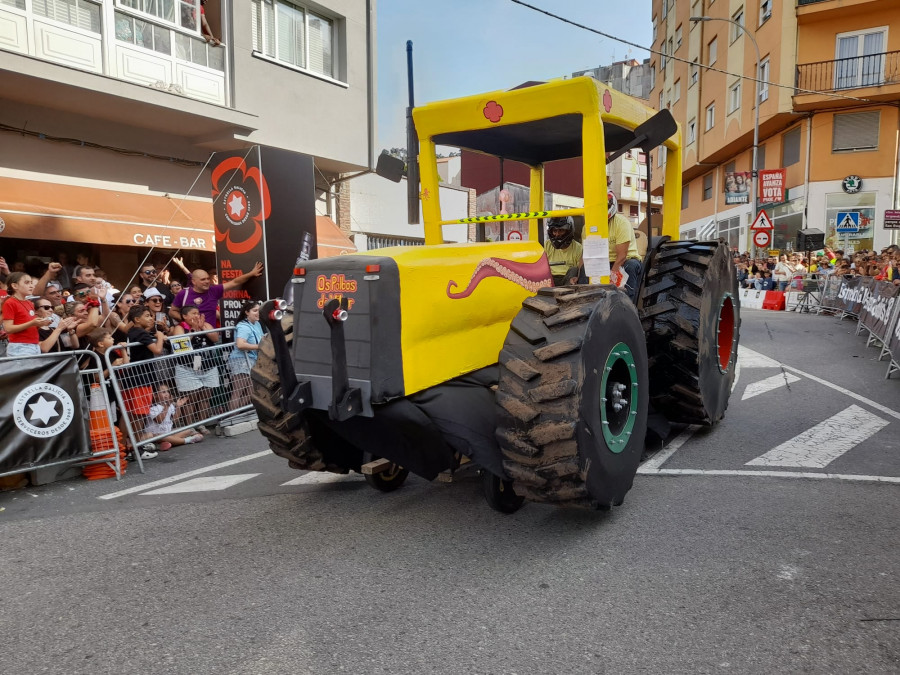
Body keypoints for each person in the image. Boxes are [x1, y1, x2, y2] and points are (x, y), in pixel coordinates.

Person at [122, 304, 167, 456]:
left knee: (128, 413)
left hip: (130, 378)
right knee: (139, 414)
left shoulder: (132, 332)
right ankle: (137, 447)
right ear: (136, 319)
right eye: (147, 316)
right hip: (141, 379)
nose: (151, 318)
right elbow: (157, 350)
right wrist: (160, 337)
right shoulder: (141, 333)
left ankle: (124, 447)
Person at [170, 305, 220, 432]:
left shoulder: (205, 324)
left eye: (198, 313)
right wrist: (192, 331)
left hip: (208, 366)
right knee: (190, 399)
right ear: (184, 316)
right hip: (187, 368)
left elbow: (215, 338)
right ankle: (190, 426)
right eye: (193, 313)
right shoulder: (179, 328)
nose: (197, 316)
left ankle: (201, 424)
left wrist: (202, 328)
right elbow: (180, 347)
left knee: (205, 397)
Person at [170, 261, 263, 326]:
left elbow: (235, 282)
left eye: (208, 278)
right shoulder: (183, 293)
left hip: (211, 336)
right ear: (193, 281)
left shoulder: (214, 290)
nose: (207, 281)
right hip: (190, 335)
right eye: (203, 279)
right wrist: (186, 321)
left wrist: (251, 273)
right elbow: (172, 312)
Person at [604, 191, 642, 302]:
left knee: (630, 267)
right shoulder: (588, 227)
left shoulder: (621, 223)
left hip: (626, 260)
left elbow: (622, 256)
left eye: (605, 206)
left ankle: (628, 306)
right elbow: (585, 254)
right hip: (604, 262)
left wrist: (612, 278)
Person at [143, 383, 205, 451]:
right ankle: (187, 440)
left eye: (168, 391)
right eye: (163, 392)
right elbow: (159, 420)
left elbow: (175, 419)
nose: (167, 394)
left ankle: (167, 442)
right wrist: (166, 406)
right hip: (156, 434)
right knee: (161, 437)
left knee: (189, 430)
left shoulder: (170, 405)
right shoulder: (153, 407)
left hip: (168, 432)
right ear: (155, 395)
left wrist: (178, 407)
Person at [1, 272, 50, 356]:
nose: (31, 286)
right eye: (27, 283)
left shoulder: (29, 303)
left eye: (31, 283)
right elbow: (8, 328)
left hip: (34, 344)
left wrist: (41, 323)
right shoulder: (10, 302)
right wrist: (32, 323)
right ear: (15, 286)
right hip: (20, 346)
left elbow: (29, 325)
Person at [228, 301, 263, 409]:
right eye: (255, 310)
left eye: (259, 310)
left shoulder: (257, 324)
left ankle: (235, 414)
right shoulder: (243, 326)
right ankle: (231, 417)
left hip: (252, 360)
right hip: (241, 360)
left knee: (251, 392)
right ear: (247, 312)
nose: (258, 313)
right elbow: (240, 344)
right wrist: (260, 346)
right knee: (238, 391)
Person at [543, 216, 583, 285]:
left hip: (567, 280)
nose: (557, 234)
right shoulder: (547, 245)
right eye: (555, 231)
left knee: (574, 269)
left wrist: (577, 278)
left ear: (568, 231)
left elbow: (580, 269)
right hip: (550, 279)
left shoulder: (578, 248)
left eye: (561, 230)